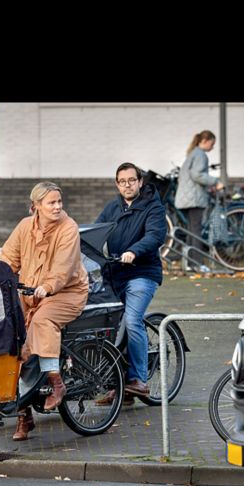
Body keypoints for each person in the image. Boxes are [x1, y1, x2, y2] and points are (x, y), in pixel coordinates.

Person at [0, 182, 89, 439]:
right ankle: (23, 414)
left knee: (42, 321)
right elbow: (8, 257)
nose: (58, 207)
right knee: (14, 340)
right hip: (31, 295)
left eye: (59, 202)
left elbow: (64, 267)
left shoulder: (68, 228)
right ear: (36, 206)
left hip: (66, 293)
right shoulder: (25, 226)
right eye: (51, 203)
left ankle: (56, 383)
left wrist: (47, 286)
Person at [94, 163, 168, 401]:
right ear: (117, 184)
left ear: (140, 182)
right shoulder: (112, 207)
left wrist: (134, 251)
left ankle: (139, 380)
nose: (127, 185)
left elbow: (155, 236)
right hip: (115, 274)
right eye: (122, 181)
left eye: (131, 180)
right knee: (106, 324)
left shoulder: (153, 207)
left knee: (133, 320)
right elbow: (95, 232)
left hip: (142, 273)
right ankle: (119, 384)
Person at [174, 130, 223, 264]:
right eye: (212, 144)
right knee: (196, 231)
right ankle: (196, 262)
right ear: (205, 141)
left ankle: (189, 262)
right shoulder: (201, 155)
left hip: (184, 198)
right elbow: (198, 175)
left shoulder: (192, 154)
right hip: (194, 199)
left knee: (190, 231)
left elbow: (192, 177)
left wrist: (207, 186)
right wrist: (216, 182)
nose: (213, 147)